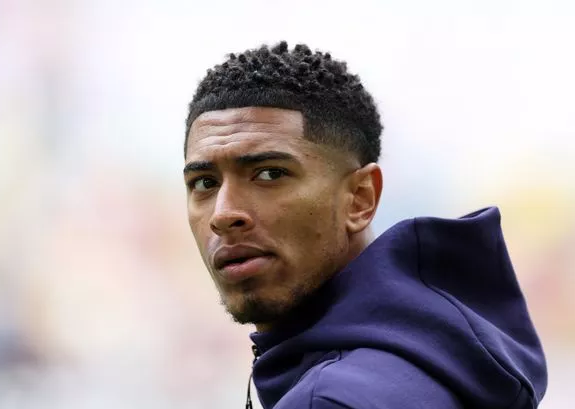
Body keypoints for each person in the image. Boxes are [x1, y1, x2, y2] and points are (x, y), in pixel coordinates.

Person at [182, 41, 547, 409]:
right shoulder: (439, 362)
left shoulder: (329, 400)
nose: (223, 214)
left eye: (270, 173)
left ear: (360, 199)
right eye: (204, 183)